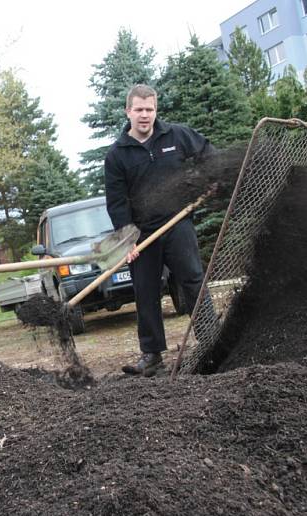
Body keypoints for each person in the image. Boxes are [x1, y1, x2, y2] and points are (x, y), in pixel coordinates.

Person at [104, 84, 213, 376]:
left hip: (178, 223)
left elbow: (207, 152)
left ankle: (211, 338)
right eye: (138, 109)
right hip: (143, 235)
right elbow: (116, 203)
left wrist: (208, 178)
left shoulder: (176, 135)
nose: (144, 115)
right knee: (145, 292)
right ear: (128, 111)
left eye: (149, 109)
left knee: (192, 280)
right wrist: (127, 241)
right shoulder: (117, 155)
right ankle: (152, 356)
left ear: (156, 110)